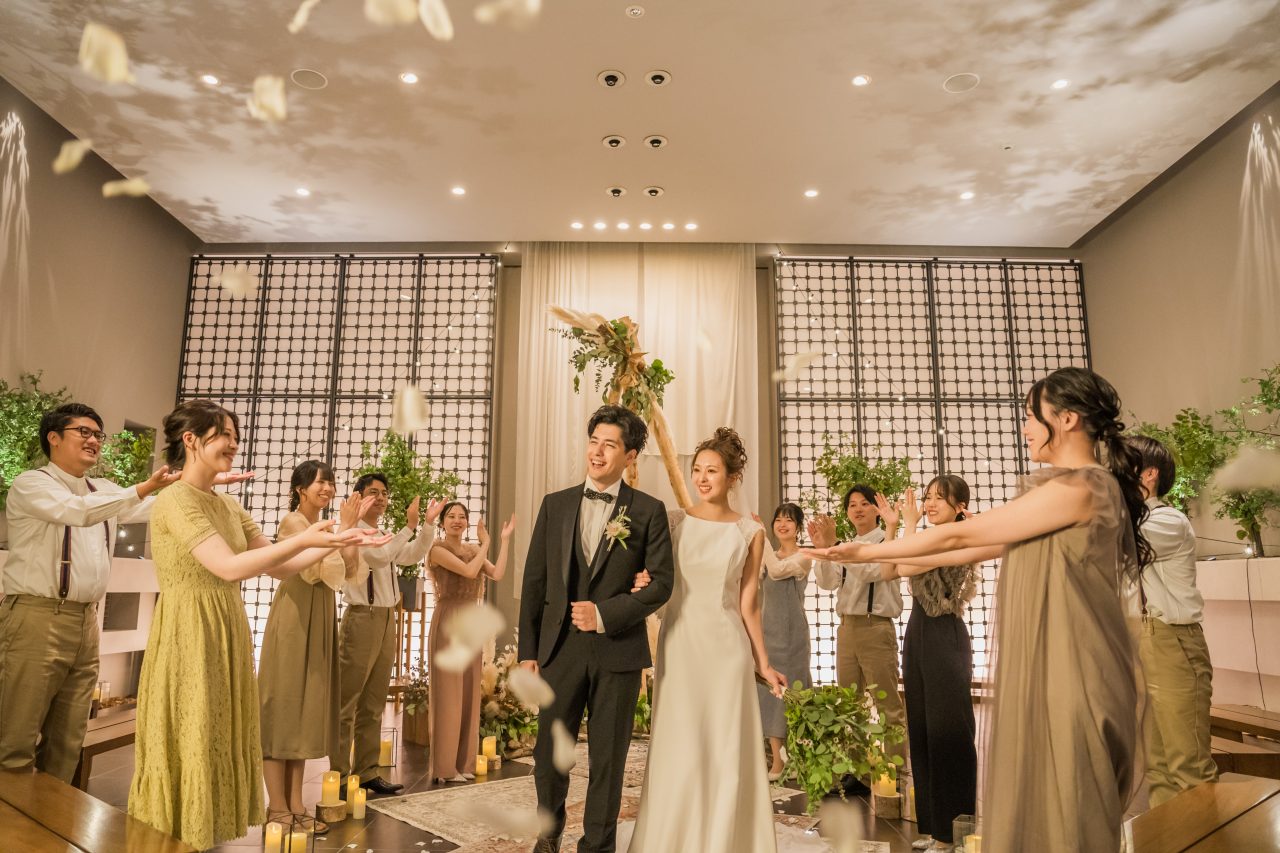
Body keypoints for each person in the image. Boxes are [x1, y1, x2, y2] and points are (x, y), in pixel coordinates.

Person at [804, 367, 1152, 852]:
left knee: (1073, 788)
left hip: (1077, 660)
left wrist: (866, 551)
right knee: (1049, 783)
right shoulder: (1066, 490)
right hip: (1056, 659)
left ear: (1067, 418)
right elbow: (963, 548)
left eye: (1031, 416)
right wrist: (872, 552)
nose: (1025, 428)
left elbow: (961, 536)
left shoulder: (1084, 487)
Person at [127, 400, 388, 849]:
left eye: (235, 435)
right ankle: (171, 833)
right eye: (224, 434)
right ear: (191, 440)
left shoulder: (229, 505)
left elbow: (280, 568)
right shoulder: (174, 500)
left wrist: (336, 540)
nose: (233, 443)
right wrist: (309, 538)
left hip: (227, 625)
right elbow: (228, 566)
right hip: (188, 627)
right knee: (191, 730)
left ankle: (205, 829)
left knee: (220, 730)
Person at [0, 402, 225, 782]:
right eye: (83, 432)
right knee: (16, 735)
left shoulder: (102, 489)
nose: (93, 440)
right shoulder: (32, 484)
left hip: (86, 619)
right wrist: (144, 487)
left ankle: (53, 813)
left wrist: (205, 482)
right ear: (53, 438)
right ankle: (11, 814)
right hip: (37, 616)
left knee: (69, 737)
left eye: (97, 435)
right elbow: (77, 511)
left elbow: (156, 509)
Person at [518, 404, 675, 853]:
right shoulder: (555, 505)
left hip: (618, 651)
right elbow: (535, 582)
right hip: (559, 650)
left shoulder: (648, 511)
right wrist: (528, 652)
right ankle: (548, 838)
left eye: (609, 445)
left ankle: (597, 846)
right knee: (548, 756)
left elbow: (662, 583)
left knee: (608, 760)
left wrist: (605, 614)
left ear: (630, 456)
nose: (597, 452)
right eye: (593, 442)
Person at [628, 427, 788, 853]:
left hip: (726, 648)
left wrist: (763, 662)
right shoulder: (673, 522)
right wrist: (641, 581)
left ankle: (722, 841)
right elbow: (656, 581)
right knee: (679, 741)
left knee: (723, 745)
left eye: (711, 470)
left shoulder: (750, 533)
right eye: (697, 469)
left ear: (732, 477)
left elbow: (749, 603)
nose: (701, 478)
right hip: (680, 642)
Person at [258, 460, 372, 830]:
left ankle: (296, 803)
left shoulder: (326, 527)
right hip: (295, 616)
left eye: (331, 482)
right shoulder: (293, 522)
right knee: (283, 708)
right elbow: (311, 571)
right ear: (300, 489)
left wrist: (348, 531)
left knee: (305, 712)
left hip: (321, 613)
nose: (327, 488)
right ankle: (277, 806)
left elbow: (350, 573)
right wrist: (345, 531)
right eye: (320, 482)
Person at [333, 472, 444, 797]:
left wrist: (426, 525)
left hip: (385, 617)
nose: (381, 498)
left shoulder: (381, 533)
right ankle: (339, 777)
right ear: (358, 497)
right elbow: (380, 556)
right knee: (347, 702)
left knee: (373, 701)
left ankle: (366, 772)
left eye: (384, 493)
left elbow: (408, 555)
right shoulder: (354, 531)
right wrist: (408, 527)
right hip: (362, 617)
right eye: (373, 492)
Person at [1127, 434, 1217, 806]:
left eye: (1122, 465)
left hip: (1172, 640)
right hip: (1143, 637)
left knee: (1188, 764)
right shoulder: (1136, 519)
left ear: (1149, 474)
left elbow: (1115, 542)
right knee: (1157, 766)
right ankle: (1171, 836)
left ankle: (1207, 836)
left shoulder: (1166, 520)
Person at [896, 479, 979, 853]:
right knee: (923, 730)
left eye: (939, 499)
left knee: (949, 735)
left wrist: (908, 525)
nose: (929, 503)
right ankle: (933, 826)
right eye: (927, 497)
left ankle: (953, 832)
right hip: (918, 633)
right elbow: (901, 565)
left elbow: (904, 564)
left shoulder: (957, 537)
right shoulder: (932, 536)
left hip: (945, 636)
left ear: (959, 506)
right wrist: (906, 527)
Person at [808, 484, 905, 787]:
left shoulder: (887, 541)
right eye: (852, 505)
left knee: (887, 704)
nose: (858, 509)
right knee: (848, 704)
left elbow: (873, 573)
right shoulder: (847, 546)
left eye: (864, 503)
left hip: (876, 627)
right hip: (847, 628)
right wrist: (824, 552)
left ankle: (896, 774)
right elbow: (827, 583)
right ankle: (856, 772)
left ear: (877, 509)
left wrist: (837, 547)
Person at [426, 501, 515, 784]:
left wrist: (504, 541)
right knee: (448, 694)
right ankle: (444, 767)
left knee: (468, 692)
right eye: (451, 516)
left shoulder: (473, 550)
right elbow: (468, 571)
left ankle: (464, 763)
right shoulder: (437, 549)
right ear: (442, 522)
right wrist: (486, 544)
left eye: (462, 516)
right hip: (449, 620)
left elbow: (497, 574)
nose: (457, 520)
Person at [754, 501, 813, 782]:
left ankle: (797, 758)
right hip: (768, 633)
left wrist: (762, 537)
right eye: (778, 519)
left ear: (798, 527)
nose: (782, 524)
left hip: (792, 636)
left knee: (792, 694)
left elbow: (777, 571)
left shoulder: (804, 556)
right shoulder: (770, 554)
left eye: (789, 520)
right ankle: (777, 760)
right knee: (769, 695)